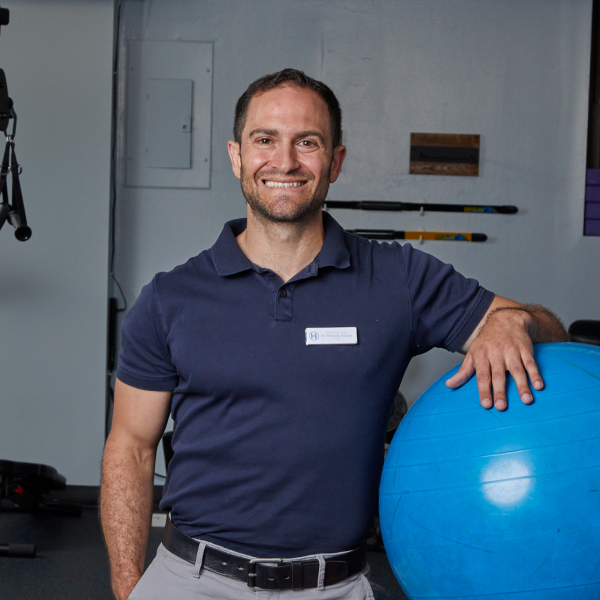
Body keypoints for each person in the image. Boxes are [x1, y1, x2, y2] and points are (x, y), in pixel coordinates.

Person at [100, 69, 568, 600]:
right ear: (236, 156)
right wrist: (126, 584)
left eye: (308, 142)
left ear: (335, 162)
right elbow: (131, 449)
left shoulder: (400, 279)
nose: (285, 161)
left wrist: (513, 320)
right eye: (265, 140)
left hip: (335, 585)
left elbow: (552, 334)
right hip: (191, 577)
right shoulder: (169, 298)